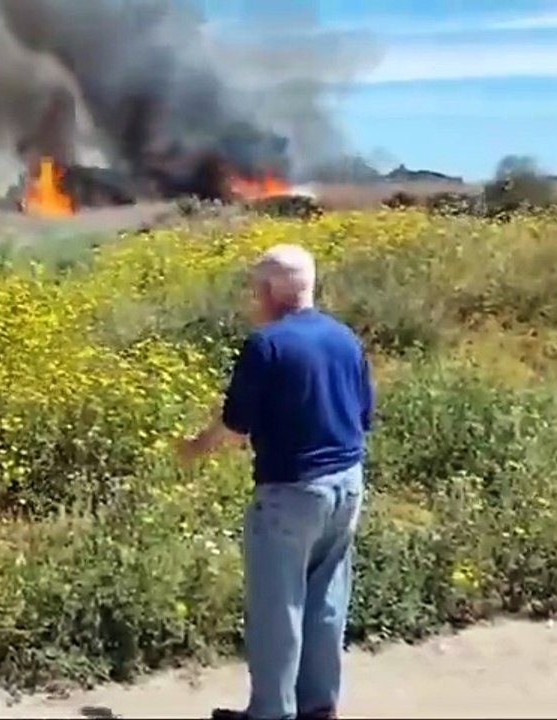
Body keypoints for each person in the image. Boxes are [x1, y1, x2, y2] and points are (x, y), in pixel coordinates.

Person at [178, 244, 374, 720]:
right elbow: (364, 415)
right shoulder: (345, 338)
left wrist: (195, 447)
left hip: (290, 491)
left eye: (254, 288)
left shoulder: (266, 344)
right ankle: (318, 706)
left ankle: (271, 713)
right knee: (327, 598)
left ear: (269, 291)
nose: (252, 297)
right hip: (347, 484)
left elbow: (236, 426)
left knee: (277, 606)